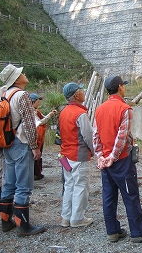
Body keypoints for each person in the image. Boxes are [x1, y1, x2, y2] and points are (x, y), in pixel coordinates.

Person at [93, 75, 142, 244]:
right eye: (123, 85)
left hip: (106, 161)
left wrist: (101, 156)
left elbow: (96, 135)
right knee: (130, 196)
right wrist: (112, 157)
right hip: (121, 160)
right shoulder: (125, 109)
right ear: (120, 87)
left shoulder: (99, 109)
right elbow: (121, 138)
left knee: (108, 196)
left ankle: (112, 231)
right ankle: (138, 233)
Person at [0, 64, 45, 236]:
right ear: (17, 79)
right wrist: (35, 147)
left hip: (7, 143)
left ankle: (6, 222)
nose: (24, 74)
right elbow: (29, 124)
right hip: (20, 142)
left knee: (9, 183)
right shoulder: (22, 95)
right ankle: (23, 225)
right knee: (24, 185)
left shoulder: (4, 94)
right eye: (21, 73)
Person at [59, 82, 94, 228]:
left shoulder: (63, 111)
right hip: (78, 155)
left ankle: (66, 217)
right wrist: (94, 150)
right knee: (80, 186)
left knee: (69, 185)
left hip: (65, 155)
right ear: (75, 95)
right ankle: (77, 218)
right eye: (81, 90)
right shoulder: (80, 114)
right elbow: (88, 136)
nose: (83, 92)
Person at [30, 93, 57, 180]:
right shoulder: (30, 112)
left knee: (38, 154)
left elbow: (42, 119)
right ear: (32, 102)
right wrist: (49, 116)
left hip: (39, 136)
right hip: (35, 137)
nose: (38, 103)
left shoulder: (37, 111)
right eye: (37, 102)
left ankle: (37, 173)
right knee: (35, 155)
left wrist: (49, 115)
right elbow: (39, 122)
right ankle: (34, 174)